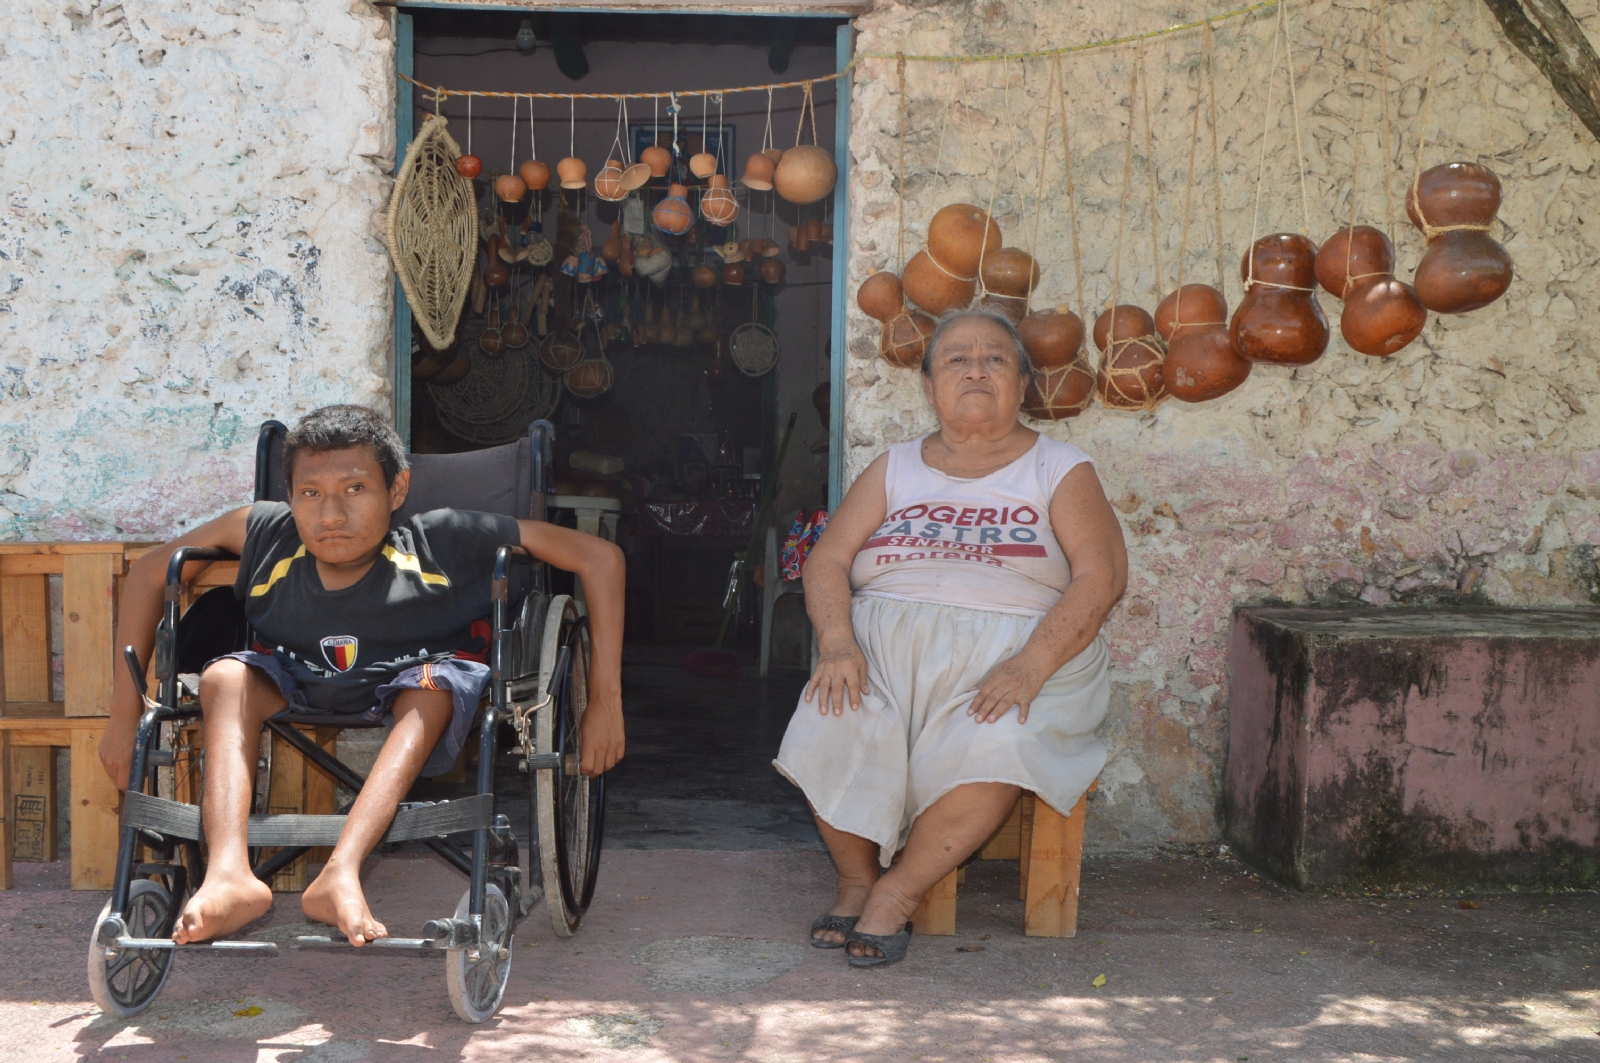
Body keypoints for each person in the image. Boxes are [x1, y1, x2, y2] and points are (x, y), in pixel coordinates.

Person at [100, 405, 626, 947]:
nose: (330, 514)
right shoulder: (263, 531)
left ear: (397, 489)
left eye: (355, 489)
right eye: (310, 493)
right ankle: (229, 874)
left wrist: (604, 703)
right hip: (292, 675)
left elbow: (600, 558)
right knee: (223, 678)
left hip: (413, 681)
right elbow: (147, 573)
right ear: (289, 496)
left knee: (432, 688)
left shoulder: (444, 537)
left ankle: (341, 871)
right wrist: (123, 715)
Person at [775, 308, 1127, 967]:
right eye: (957, 359)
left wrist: (1031, 665)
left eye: (995, 358)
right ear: (931, 384)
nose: (975, 368)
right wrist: (838, 643)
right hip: (881, 654)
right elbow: (825, 560)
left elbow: (1101, 578)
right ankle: (856, 881)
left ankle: (897, 894)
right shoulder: (897, 466)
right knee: (829, 719)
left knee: (999, 740)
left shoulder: (1059, 467)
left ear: (1023, 384)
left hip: (1015, 658)